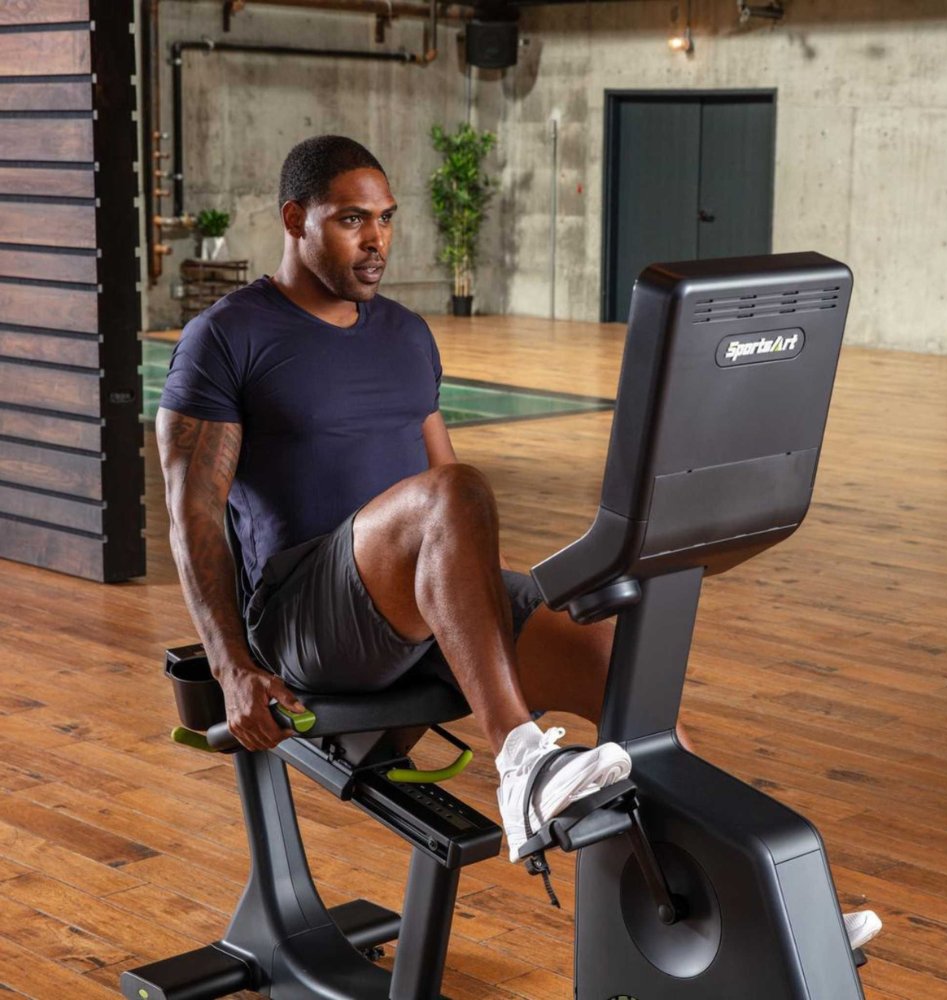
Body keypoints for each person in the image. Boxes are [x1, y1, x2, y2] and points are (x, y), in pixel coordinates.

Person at [156, 135, 881, 950]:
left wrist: (509, 606)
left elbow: (446, 508)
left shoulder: (404, 334)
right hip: (307, 621)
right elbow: (192, 515)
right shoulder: (227, 337)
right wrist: (231, 667)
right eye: (353, 220)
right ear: (296, 219)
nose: (378, 241)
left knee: (628, 683)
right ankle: (520, 764)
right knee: (455, 494)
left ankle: (777, 920)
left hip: (413, 605)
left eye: (387, 220)